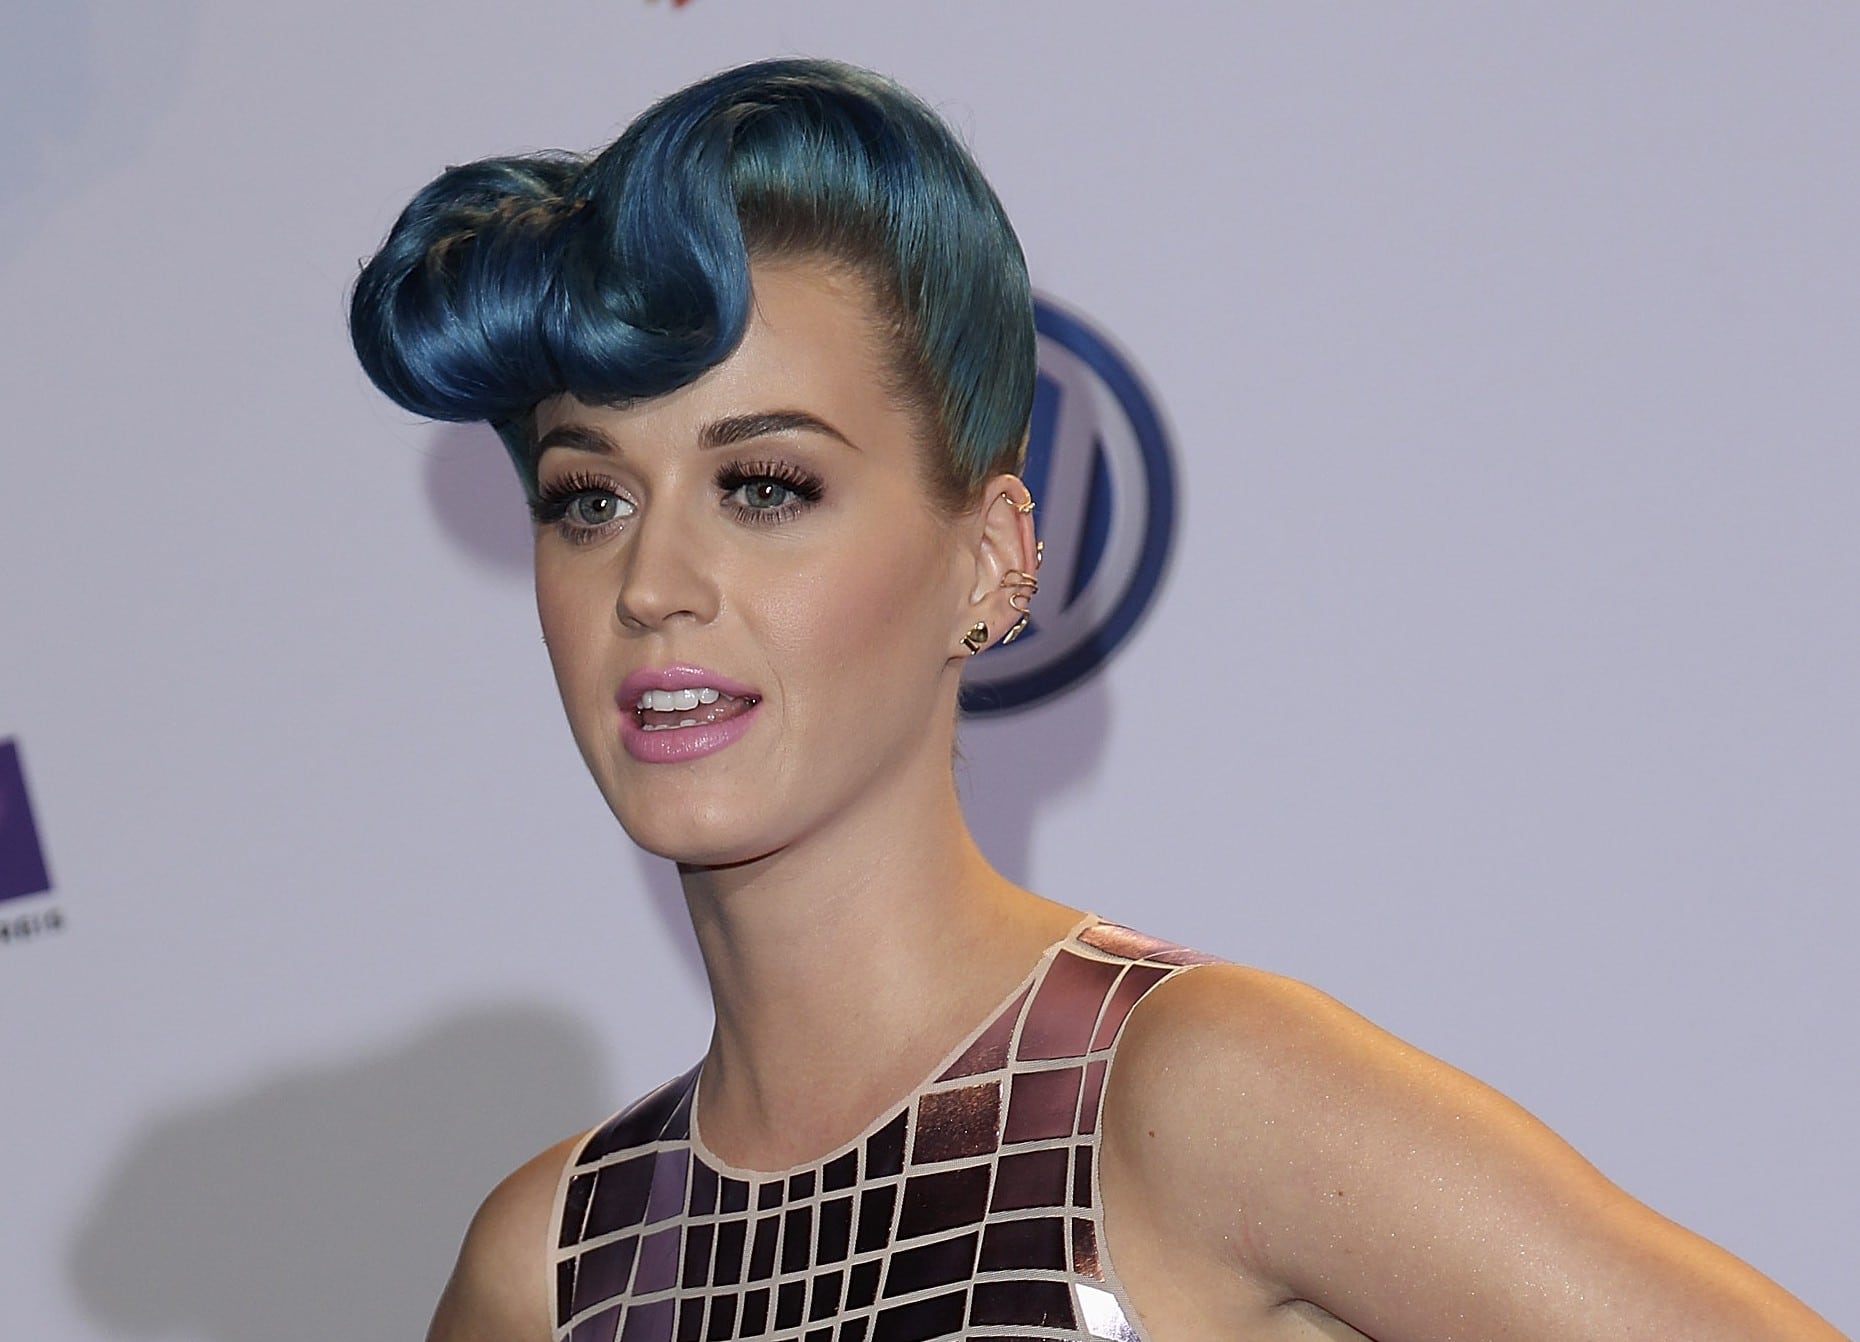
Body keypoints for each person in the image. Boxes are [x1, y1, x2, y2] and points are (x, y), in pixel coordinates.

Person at [349, 57, 1842, 1342]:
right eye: (590, 500)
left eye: (766, 485)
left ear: (989, 561)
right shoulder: (551, 1268)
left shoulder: (1191, 1096)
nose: (654, 583)